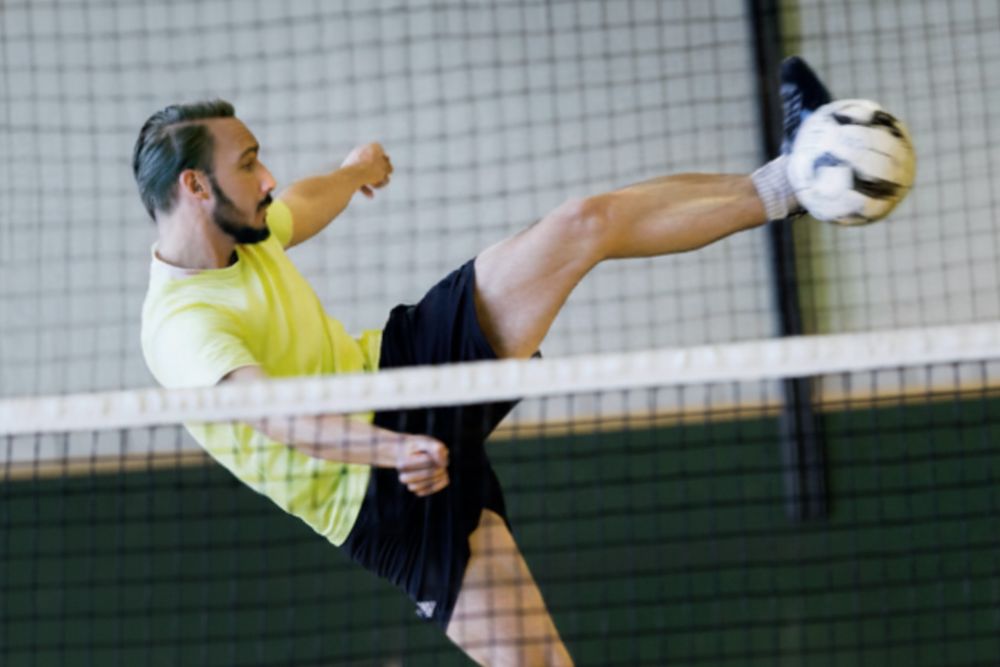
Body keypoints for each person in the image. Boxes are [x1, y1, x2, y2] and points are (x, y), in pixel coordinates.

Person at [137, 57, 831, 665]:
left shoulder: (245, 232)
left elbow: (298, 206)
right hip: (381, 495)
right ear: (197, 187)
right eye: (249, 161)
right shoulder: (183, 327)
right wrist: (391, 449)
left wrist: (352, 174)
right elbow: (284, 418)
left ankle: (789, 181)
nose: (267, 176)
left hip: (405, 367)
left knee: (581, 223)